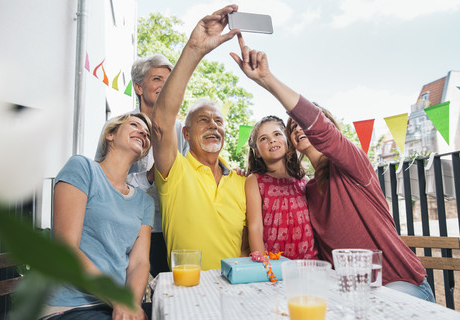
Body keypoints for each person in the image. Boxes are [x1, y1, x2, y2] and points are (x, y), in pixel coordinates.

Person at [231, 34, 435, 302]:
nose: (299, 128)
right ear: (293, 144)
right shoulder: (308, 189)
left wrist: (267, 80)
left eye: (303, 123)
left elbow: (320, 129)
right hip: (346, 294)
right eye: (293, 127)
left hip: (398, 284)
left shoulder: (353, 165)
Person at [151, 5, 248, 271]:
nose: (213, 126)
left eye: (219, 121)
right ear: (185, 132)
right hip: (186, 294)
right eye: (203, 120)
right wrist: (195, 49)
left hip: (234, 295)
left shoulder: (241, 181)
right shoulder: (175, 169)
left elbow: (245, 244)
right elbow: (160, 121)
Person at [42, 113, 154, 319]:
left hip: (114, 306)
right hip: (68, 307)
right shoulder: (82, 168)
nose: (143, 133)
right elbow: (66, 248)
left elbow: (139, 263)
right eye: (134, 125)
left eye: (147, 134)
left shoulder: (145, 202)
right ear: (110, 134)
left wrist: (129, 305)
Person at [94, 54, 189, 278]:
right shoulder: (117, 127)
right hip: (128, 228)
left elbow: (189, 176)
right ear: (138, 87)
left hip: (169, 228)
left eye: (169, 80)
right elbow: (102, 180)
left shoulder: (181, 130)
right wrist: (147, 177)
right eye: (157, 79)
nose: (165, 86)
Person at [245, 115, 318, 260]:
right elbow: (255, 228)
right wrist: (265, 266)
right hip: (274, 264)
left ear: (288, 141)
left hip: (309, 263)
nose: (272, 140)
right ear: (257, 152)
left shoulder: (304, 181)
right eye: (263, 138)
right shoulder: (254, 181)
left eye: (277, 134)